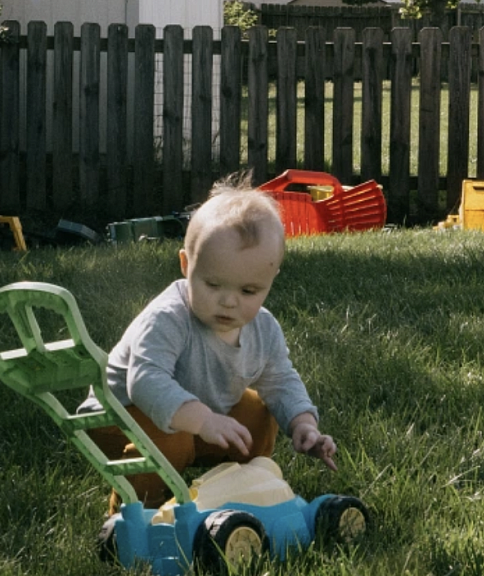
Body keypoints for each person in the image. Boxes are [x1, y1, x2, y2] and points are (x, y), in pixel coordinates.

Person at [87, 180, 337, 507]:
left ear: (270, 281)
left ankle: (235, 488)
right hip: (121, 415)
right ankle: (136, 510)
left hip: (199, 414)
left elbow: (280, 380)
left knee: (259, 415)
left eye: (248, 291)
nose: (229, 302)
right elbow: (145, 382)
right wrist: (203, 420)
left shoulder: (263, 328)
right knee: (173, 437)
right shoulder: (167, 318)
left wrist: (304, 424)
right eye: (213, 284)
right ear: (186, 266)